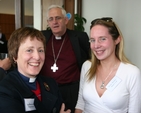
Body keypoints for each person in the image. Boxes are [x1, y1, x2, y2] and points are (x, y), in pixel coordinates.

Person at [75, 17, 141, 113]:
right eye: (92, 40)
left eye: (102, 39)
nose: (96, 45)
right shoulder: (87, 66)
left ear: (117, 40)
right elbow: (80, 104)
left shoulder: (131, 72)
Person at [0, 27, 71, 113]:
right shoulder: (5, 89)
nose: (37, 57)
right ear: (15, 56)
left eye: (40, 50)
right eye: (29, 50)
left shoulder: (51, 84)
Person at [40, 5, 90, 113]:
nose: (55, 22)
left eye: (58, 18)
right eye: (51, 19)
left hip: (71, 91)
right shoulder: (41, 37)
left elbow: (89, 61)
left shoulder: (80, 37)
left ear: (66, 20)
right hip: (47, 90)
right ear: (48, 22)